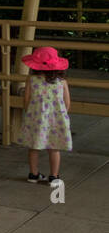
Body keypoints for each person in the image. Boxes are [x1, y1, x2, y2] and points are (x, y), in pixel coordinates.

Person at [18, 46, 71, 187]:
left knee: (34, 147)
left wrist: (30, 114)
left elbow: (26, 100)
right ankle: (53, 177)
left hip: (36, 119)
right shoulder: (62, 82)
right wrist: (62, 115)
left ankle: (33, 174)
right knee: (54, 148)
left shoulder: (31, 80)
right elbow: (67, 103)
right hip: (56, 120)